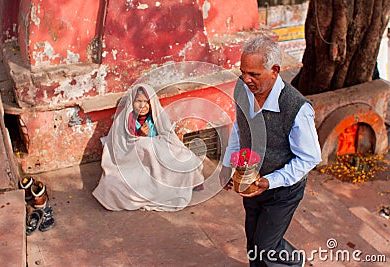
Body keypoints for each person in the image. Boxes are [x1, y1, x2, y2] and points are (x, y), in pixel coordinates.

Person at [219, 36, 322, 266]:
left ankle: (295, 263)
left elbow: (309, 158)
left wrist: (269, 181)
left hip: (283, 190)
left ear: (275, 70)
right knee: (253, 242)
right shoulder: (241, 88)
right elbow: (239, 129)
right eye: (243, 71)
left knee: (267, 248)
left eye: (254, 74)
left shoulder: (297, 108)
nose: (246, 79)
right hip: (252, 184)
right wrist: (228, 165)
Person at [93, 84, 204, 212]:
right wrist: (138, 137)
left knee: (187, 159)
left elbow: (168, 136)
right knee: (112, 186)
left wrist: (156, 144)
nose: (142, 106)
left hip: (159, 158)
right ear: (131, 102)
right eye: (138, 101)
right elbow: (122, 146)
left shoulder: (156, 116)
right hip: (136, 163)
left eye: (146, 102)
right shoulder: (125, 120)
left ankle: (180, 183)